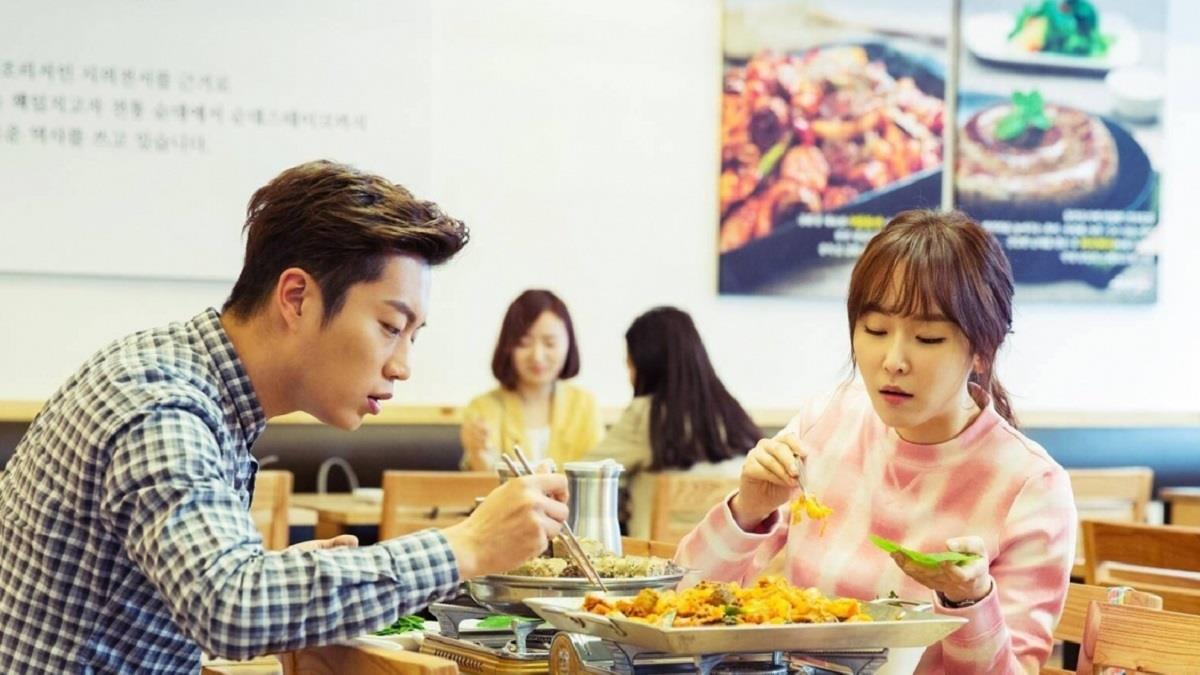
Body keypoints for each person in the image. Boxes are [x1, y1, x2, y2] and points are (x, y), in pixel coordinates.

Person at [0, 161, 570, 672]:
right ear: (297, 298)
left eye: (412, 336)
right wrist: (466, 546)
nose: (402, 366)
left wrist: (282, 576)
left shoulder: (195, 383)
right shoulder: (162, 401)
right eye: (390, 327)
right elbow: (230, 607)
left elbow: (207, 593)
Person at [676, 210, 1076, 673]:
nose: (893, 360)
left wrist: (969, 600)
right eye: (875, 330)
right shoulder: (825, 422)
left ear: (983, 351)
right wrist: (748, 511)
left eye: (928, 337)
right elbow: (684, 600)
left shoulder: (1032, 487)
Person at [582, 306, 759, 539]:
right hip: (732, 555)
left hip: (662, 558)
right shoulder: (733, 414)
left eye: (629, 363)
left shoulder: (646, 416)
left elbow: (584, 475)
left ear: (645, 364)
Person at [459, 289, 601, 470]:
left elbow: (596, 473)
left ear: (568, 344)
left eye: (550, 343)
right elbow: (483, 480)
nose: (537, 356)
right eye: (524, 343)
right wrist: (477, 455)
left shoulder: (584, 405)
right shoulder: (483, 407)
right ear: (508, 346)